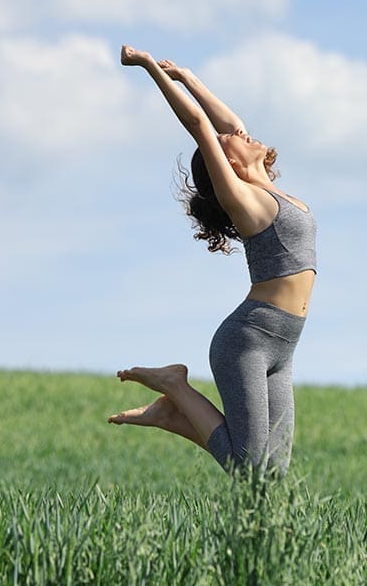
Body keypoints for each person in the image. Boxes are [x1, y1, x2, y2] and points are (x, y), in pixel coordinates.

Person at [108, 45, 317, 478]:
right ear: (231, 165)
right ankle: (174, 389)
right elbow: (201, 125)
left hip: (284, 344)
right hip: (248, 341)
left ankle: (172, 413)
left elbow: (226, 124)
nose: (242, 133)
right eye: (231, 143)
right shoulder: (245, 202)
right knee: (250, 471)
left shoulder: (269, 189)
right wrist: (151, 68)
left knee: (272, 473)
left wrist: (189, 76)